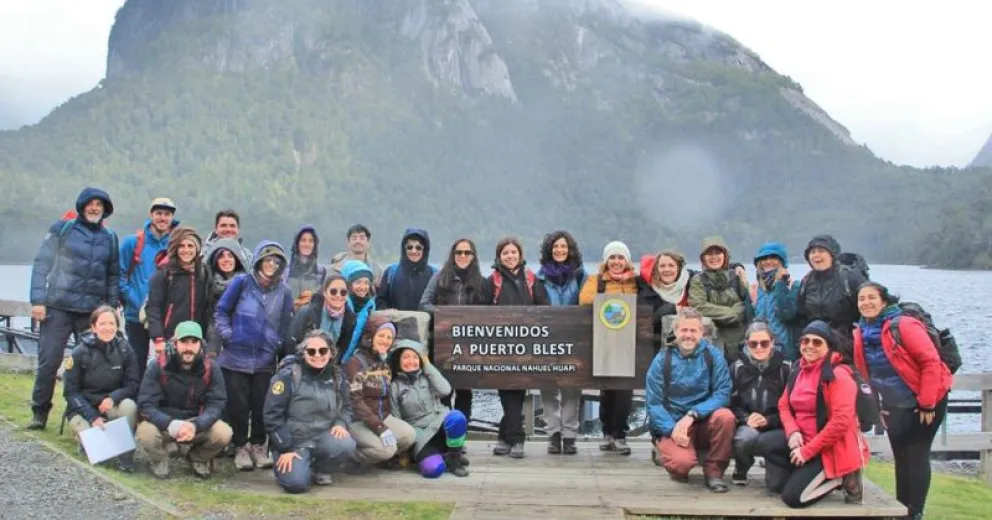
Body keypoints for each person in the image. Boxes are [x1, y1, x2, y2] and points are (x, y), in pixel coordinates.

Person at [853, 282, 952, 520]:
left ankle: (915, 512)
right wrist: (877, 407)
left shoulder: (904, 325)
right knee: (901, 456)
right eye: (861, 299)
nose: (866, 303)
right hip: (894, 406)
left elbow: (930, 363)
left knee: (917, 455)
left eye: (871, 298)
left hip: (926, 403)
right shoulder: (860, 332)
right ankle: (900, 509)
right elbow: (867, 375)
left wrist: (927, 402)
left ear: (884, 301)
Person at [28, 187, 120, 430]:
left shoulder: (109, 238)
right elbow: (42, 263)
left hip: (91, 313)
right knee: (49, 362)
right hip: (57, 308)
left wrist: (109, 310)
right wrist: (37, 300)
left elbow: (113, 275)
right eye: (90, 204)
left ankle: (80, 415)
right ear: (82, 206)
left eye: (100, 205)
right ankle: (39, 412)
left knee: (91, 368)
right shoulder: (63, 229)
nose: (95, 208)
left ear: (105, 210)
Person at [768, 321, 869, 507]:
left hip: (829, 448)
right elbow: (783, 406)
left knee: (792, 498)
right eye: (805, 341)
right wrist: (793, 432)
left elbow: (840, 422)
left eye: (817, 342)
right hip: (804, 439)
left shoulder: (839, 376)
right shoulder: (799, 368)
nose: (809, 346)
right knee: (763, 447)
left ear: (829, 347)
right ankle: (804, 473)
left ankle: (839, 478)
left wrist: (807, 452)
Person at [214, 241, 294, 471]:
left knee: (262, 404)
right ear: (259, 260)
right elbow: (221, 310)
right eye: (268, 259)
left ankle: (259, 446)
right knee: (238, 405)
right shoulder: (241, 282)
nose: (272, 264)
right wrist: (227, 334)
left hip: (265, 358)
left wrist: (278, 345)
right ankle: (240, 446)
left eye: (277, 261)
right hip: (235, 356)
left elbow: (286, 323)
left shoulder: (284, 291)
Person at [646, 308, 735, 493]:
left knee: (725, 417)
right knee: (681, 465)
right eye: (684, 330)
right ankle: (675, 454)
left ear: (701, 333)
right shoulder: (662, 360)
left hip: (702, 420)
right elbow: (654, 403)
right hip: (672, 424)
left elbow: (723, 393)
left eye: (693, 330)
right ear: (676, 331)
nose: (688, 335)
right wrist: (673, 429)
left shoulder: (713, 356)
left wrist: (693, 414)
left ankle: (714, 472)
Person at [136, 321, 232, 479]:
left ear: (201, 344)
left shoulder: (212, 368)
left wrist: (196, 425)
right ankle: (159, 459)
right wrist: (170, 424)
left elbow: (217, 403)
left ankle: (197, 458)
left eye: (194, 342)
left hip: (196, 422)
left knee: (224, 433)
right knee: (145, 432)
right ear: (175, 343)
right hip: (165, 422)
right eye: (184, 342)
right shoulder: (157, 366)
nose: (189, 347)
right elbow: (146, 404)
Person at [264, 331, 357, 493]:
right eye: (311, 351)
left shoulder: (337, 377)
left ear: (330, 353)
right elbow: (272, 416)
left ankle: (321, 469)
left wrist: (341, 423)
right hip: (294, 441)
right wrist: (285, 448)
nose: (317, 355)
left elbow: (346, 407)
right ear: (303, 353)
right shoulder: (288, 376)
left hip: (322, 437)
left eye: (323, 350)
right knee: (296, 485)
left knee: (346, 443)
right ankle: (288, 464)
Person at [484, 237, 549, 458]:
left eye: (513, 252)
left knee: (518, 391)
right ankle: (514, 438)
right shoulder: (491, 281)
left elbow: (546, 310)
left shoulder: (531, 280)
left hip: (527, 348)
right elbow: (480, 314)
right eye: (505, 253)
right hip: (499, 348)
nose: (510, 256)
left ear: (520, 255)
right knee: (506, 391)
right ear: (499, 257)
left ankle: (507, 437)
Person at [579, 240, 642, 455]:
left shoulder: (636, 281)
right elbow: (584, 299)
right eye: (612, 258)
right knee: (607, 389)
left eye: (620, 257)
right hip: (605, 341)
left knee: (625, 390)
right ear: (606, 261)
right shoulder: (596, 280)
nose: (616, 262)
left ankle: (620, 434)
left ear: (627, 260)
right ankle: (607, 433)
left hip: (629, 342)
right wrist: (613, 301)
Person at [62, 305, 140, 472]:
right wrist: (92, 418)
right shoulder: (79, 353)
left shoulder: (126, 350)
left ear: (117, 326)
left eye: (112, 323)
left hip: (111, 404)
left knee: (130, 406)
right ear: (93, 327)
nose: (107, 328)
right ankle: (85, 440)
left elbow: (133, 384)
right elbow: (70, 392)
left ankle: (125, 455)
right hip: (83, 407)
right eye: (103, 324)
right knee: (100, 457)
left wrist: (113, 397)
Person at [419, 238, 487, 420]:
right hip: (443, 344)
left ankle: (460, 436)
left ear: (473, 256)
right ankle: (444, 435)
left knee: (465, 393)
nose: (462, 256)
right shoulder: (440, 277)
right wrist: (447, 315)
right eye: (459, 252)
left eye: (467, 252)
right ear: (453, 255)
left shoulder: (481, 281)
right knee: (443, 391)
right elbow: (424, 304)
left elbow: (489, 312)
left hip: (469, 346)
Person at [535, 231, 586, 455]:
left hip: (574, 340)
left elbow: (589, 301)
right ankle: (553, 434)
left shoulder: (581, 275)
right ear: (549, 250)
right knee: (548, 388)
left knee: (572, 389)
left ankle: (569, 435)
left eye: (564, 247)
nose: (559, 250)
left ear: (570, 249)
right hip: (546, 339)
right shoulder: (539, 277)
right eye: (555, 247)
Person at [388, 339, 470, 478]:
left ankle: (454, 459)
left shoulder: (428, 376)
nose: (411, 361)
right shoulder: (394, 386)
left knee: (457, 417)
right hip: (420, 436)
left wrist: (427, 365)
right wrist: (405, 450)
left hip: (439, 424)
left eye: (415, 357)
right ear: (398, 361)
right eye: (406, 357)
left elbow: (445, 390)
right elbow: (396, 419)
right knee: (433, 470)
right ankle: (444, 456)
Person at [344, 318, 417, 467]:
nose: (385, 340)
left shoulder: (384, 362)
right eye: (381, 335)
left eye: (389, 337)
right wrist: (379, 428)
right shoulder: (355, 363)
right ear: (370, 337)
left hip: (381, 416)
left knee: (409, 436)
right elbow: (356, 401)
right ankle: (349, 459)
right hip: (357, 421)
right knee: (386, 450)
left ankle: (379, 459)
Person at [119, 197, 179, 378]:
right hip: (135, 316)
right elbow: (119, 275)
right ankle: (135, 403)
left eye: (167, 214)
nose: (163, 218)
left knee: (166, 364)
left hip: (164, 318)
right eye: (159, 213)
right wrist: (134, 300)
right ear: (151, 215)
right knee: (135, 364)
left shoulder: (177, 245)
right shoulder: (133, 242)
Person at [729, 321, 792, 486]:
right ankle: (742, 466)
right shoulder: (737, 368)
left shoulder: (786, 369)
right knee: (744, 438)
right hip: (748, 423)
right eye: (753, 343)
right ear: (746, 344)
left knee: (775, 485)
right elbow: (729, 403)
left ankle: (778, 467)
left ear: (772, 343)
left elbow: (793, 407)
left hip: (778, 425)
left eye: (764, 343)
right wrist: (745, 418)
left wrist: (769, 420)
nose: (759, 347)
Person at [786, 234, 867, 357]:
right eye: (812, 252)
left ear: (832, 254)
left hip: (845, 346)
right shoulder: (806, 282)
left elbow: (871, 306)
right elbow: (801, 317)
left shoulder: (849, 278)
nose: (816, 255)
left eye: (821, 251)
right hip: (815, 345)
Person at [145, 226, 210, 357]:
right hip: (170, 338)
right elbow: (153, 307)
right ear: (175, 248)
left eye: (190, 246)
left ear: (197, 249)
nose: (186, 250)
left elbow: (208, 308)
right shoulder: (163, 274)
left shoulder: (204, 273)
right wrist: (158, 338)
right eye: (182, 246)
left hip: (197, 338)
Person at [688, 236, 752, 365]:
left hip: (739, 340)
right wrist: (731, 313)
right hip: (712, 339)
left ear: (725, 255)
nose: (714, 257)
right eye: (709, 254)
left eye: (718, 253)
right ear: (702, 258)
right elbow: (699, 306)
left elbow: (747, 302)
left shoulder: (736, 276)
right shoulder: (698, 280)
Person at [751, 242, 800, 360]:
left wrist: (780, 284)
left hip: (784, 352)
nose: (768, 261)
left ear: (782, 261)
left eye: (773, 257)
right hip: (759, 350)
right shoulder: (754, 289)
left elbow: (786, 314)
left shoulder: (793, 286)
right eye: (764, 258)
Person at [288, 274, 357, 358]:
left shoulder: (350, 319)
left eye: (343, 292)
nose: (338, 295)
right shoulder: (307, 312)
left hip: (328, 364)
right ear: (325, 292)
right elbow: (292, 344)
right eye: (333, 291)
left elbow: (342, 349)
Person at [203, 238, 249, 356]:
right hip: (212, 336)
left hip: (240, 334)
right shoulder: (207, 282)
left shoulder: (247, 283)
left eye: (230, 255)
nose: (226, 259)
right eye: (221, 256)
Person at [377, 228, 436, 311]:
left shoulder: (434, 274)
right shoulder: (391, 272)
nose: (414, 251)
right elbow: (381, 300)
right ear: (404, 249)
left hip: (426, 322)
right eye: (409, 247)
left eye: (418, 247)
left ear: (425, 250)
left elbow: (440, 303)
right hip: (396, 322)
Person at [338, 260, 378, 364]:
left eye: (366, 283)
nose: (363, 287)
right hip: (335, 356)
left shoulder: (370, 305)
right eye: (358, 282)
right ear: (348, 284)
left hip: (352, 360)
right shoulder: (340, 302)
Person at [286, 225, 327, 312]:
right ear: (297, 243)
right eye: (303, 240)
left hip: (310, 320)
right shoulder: (285, 271)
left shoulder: (321, 272)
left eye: (311, 241)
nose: (307, 244)